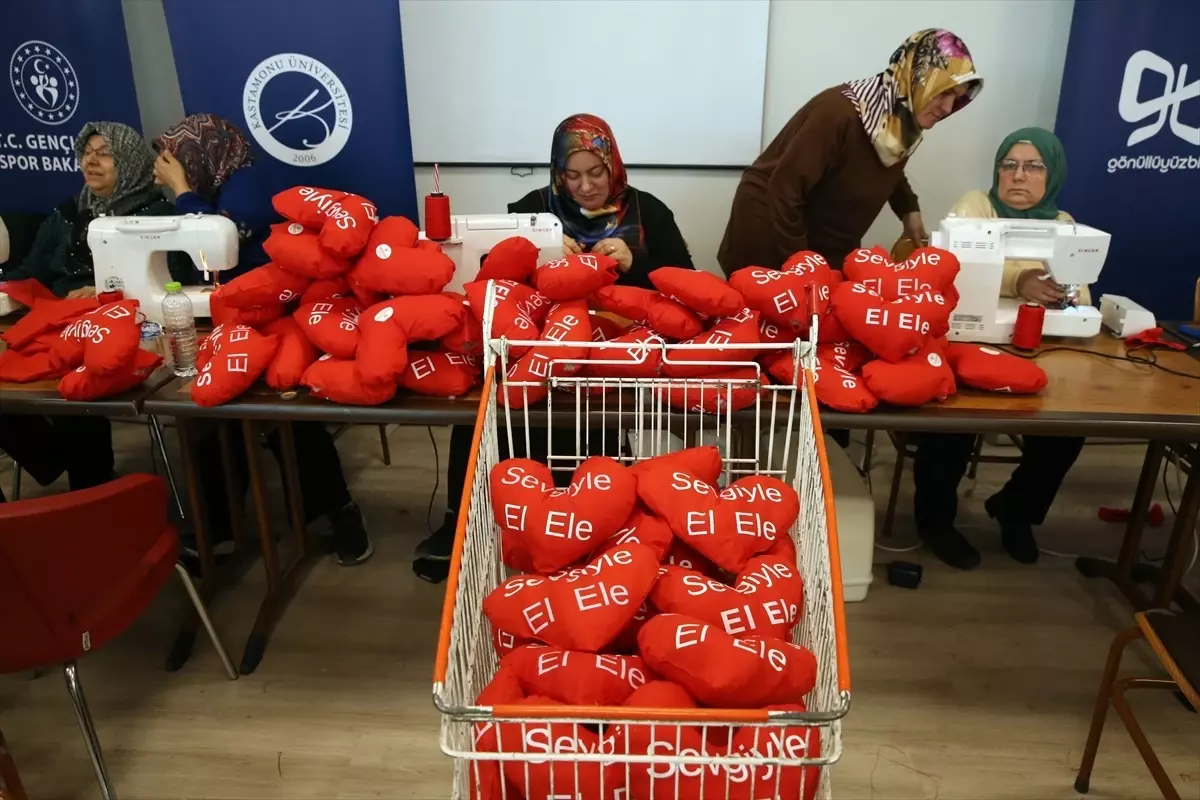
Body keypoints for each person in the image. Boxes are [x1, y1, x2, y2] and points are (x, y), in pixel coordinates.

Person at [412, 113, 695, 581]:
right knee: (484, 408)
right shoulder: (532, 208)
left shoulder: (649, 213)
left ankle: (590, 525)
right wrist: (537, 251)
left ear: (614, 165)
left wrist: (637, 263)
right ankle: (463, 522)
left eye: (596, 172)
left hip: (611, 351)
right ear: (557, 172)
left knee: (593, 432)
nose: (585, 186)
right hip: (538, 344)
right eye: (572, 175)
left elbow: (688, 286)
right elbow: (496, 276)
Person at [153, 114, 372, 567]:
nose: (169, 167)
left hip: (282, 317)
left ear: (204, 153)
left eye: (179, 158)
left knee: (286, 415)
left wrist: (182, 192)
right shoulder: (222, 188)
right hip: (240, 317)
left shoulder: (248, 186)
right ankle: (220, 526)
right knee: (219, 415)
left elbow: (217, 243)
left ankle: (338, 513)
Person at [911, 127, 1086, 570]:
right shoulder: (975, 206)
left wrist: (1065, 292)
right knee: (952, 420)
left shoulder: (1063, 223)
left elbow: (1080, 292)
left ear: (1053, 174)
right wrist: (1019, 280)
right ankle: (935, 522)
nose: (1018, 175)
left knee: (1068, 428)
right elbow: (956, 271)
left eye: (1033, 166)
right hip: (965, 340)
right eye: (1009, 165)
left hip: (1035, 349)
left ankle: (1015, 510)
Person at [0, 121, 177, 495]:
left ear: (128, 162)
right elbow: (33, 269)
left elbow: (173, 278)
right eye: (87, 152)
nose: (92, 161)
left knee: (78, 381)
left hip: (123, 321)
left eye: (105, 154)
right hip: (61, 319)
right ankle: (52, 460)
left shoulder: (156, 215)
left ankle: (91, 487)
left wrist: (103, 291)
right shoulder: (68, 212)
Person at [717, 28, 983, 275]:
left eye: (956, 96)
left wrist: (908, 209)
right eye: (943, 93)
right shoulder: (838, 113)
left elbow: (884, 164)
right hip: (772, 232)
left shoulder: (899, 122)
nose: (948, 108)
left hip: (824, 240)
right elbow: (784, 189)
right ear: (917, 79)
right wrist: (804, 267)